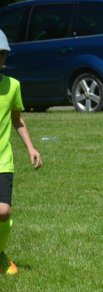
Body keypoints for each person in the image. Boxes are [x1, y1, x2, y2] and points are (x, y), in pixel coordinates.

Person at [0, 30, 42, 275]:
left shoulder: (12, 85)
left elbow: (17, 119)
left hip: (3, 160)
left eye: (2, 55)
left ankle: (0, 253)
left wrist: (31, 147)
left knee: (4, 211)